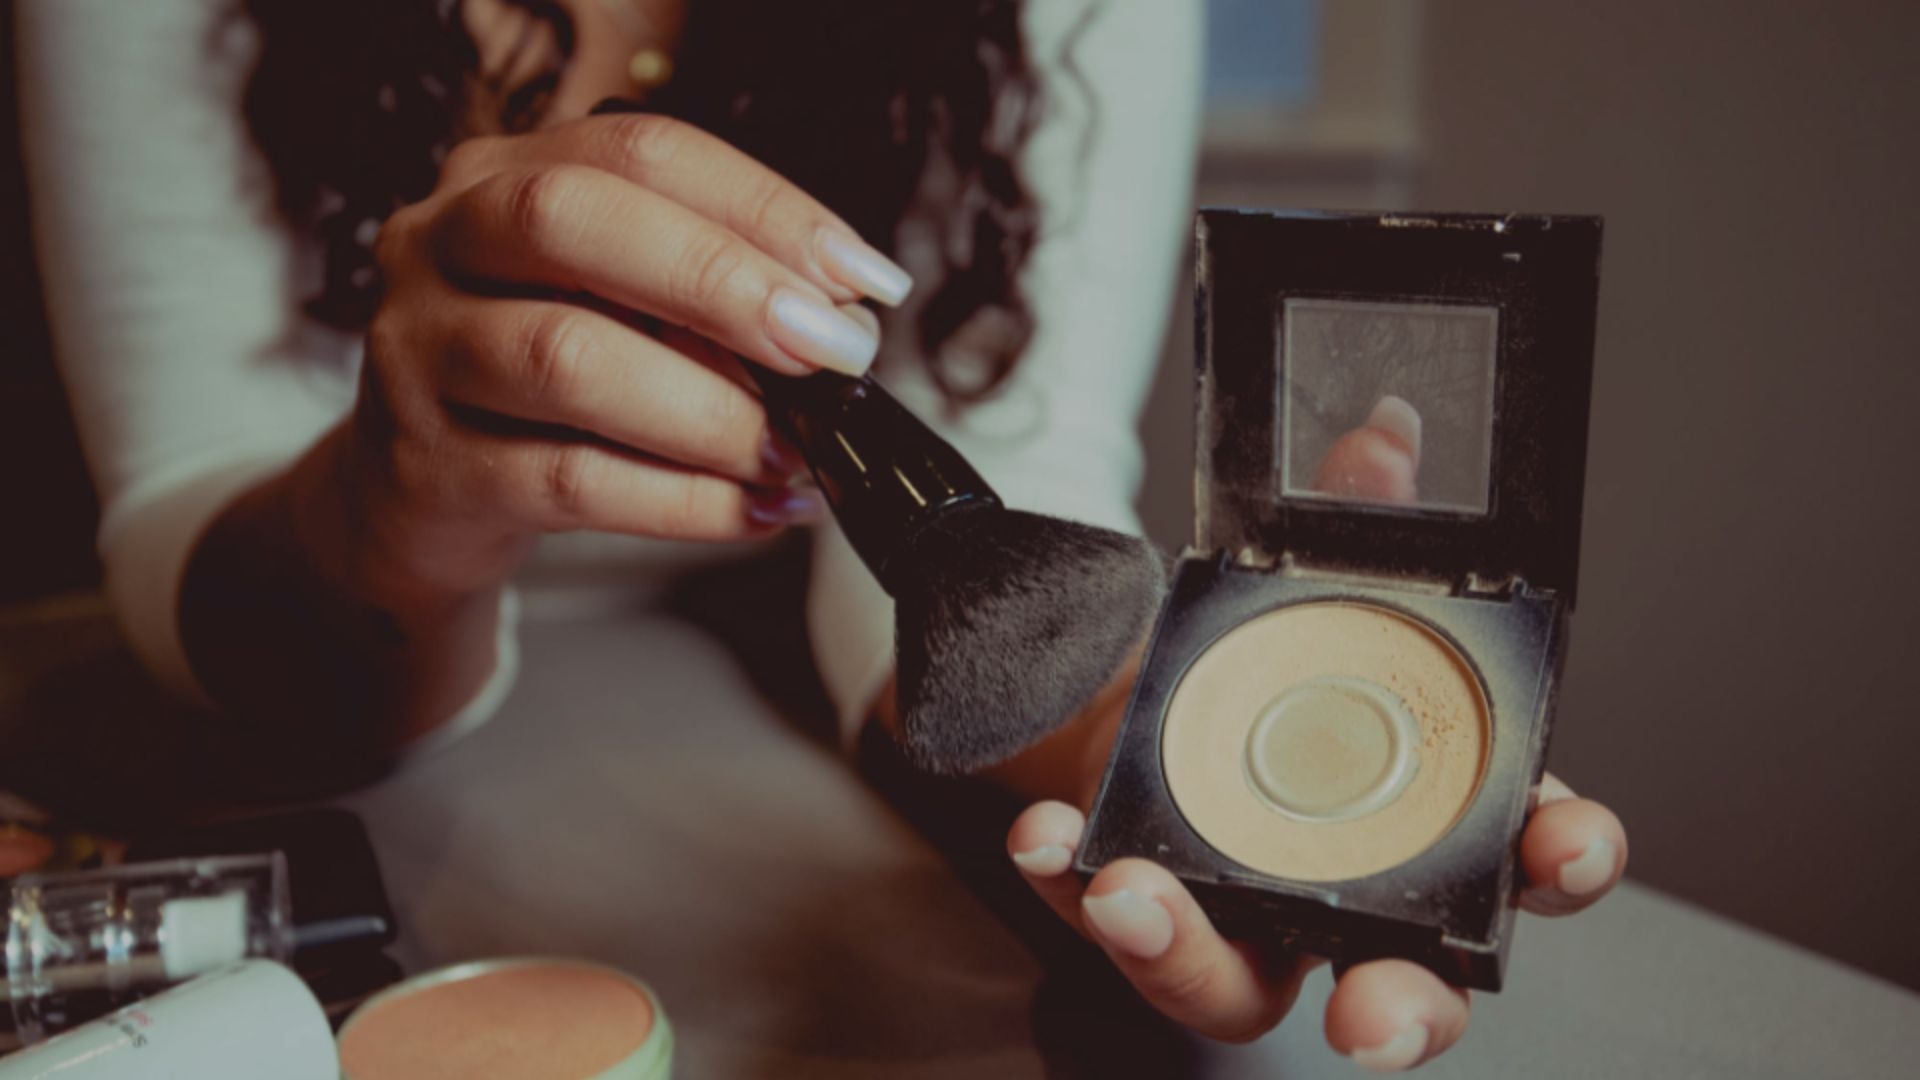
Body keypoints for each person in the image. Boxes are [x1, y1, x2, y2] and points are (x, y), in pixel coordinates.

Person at [18, 0, 1627, 1070]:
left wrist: (1144, 735)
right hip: (358, 746)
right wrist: (390, 515)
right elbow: (187, 498)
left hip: (809, 732)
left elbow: (997, 481)